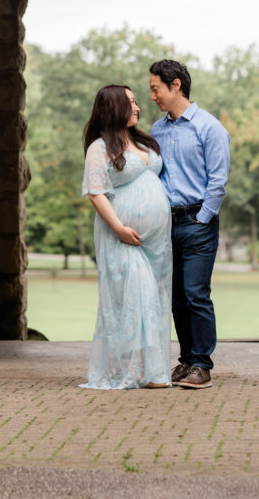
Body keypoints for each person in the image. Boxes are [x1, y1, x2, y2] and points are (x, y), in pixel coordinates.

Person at [80, 84, 172, 389]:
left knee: (153, 300)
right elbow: (96, 193)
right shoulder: (98, 147)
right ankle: (134, 370)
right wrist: (119, 227)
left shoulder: (140, 141)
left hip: (155, 244)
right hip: (120, 236)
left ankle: (150, 369)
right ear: (114, 107)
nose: (138, 107)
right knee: (135, 297)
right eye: (131, 102)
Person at [149, 59, 230, 390]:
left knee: (196, 293)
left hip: (198, 221)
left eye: (155, 88)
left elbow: (218, 179)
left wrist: (204, 216)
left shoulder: (210, 128)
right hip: (166, 224)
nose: (152, 95)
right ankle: (186, 360)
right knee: (176, 297)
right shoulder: (156, 130)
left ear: (176, 85)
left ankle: (202, 364)